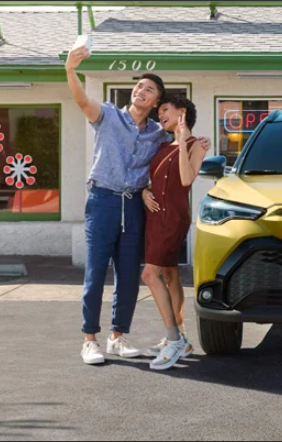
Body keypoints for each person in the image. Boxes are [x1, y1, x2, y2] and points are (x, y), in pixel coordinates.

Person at [65, 44, 210, 365]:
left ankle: (118, 337)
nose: (141, 91)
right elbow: (80, 99)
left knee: (129, 274)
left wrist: (145, 188)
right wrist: (70, 70)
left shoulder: (158, 134)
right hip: (103, 200)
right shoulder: (107, 115)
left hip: (132, 206)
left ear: (157, 100)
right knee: (95, 272)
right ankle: (90, 339)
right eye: (138, 87)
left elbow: (168, 162)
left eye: (149, 89)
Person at [141, 95, 209, 371]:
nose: (160, 116)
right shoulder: (160, 145)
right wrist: (144, 191)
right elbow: (150, 179)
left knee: (149, 274)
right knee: (169, 274)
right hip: (154, 216)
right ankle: (180, 336)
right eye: (158, 113)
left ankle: (174, 339)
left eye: (164, 110)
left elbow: (185, 180)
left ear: (182, 112)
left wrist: (181, 140)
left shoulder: (198, 144)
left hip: (173, 218)